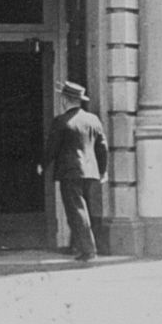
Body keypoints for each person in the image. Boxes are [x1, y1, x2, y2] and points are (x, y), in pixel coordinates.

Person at [43, 81, 108, 262]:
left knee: (76, 211)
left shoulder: (61, 121)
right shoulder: (93, 120)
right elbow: (103, 148)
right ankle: (78, 247)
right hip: (90, 172)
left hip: (70, 172)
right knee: (82, 209)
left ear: (65, 99)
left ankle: (88, 250)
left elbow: (52, 148)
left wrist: (43, 164)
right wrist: (103, 171)